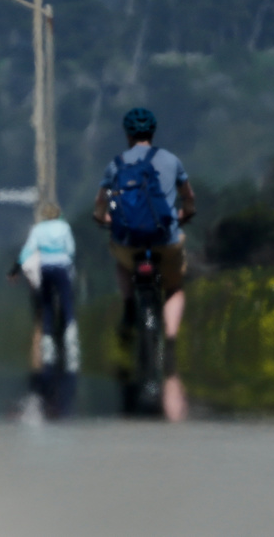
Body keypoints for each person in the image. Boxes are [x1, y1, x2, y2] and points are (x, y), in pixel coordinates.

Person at [93, 107, 196, 373]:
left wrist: (103, 220)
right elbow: (189, 197)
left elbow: (100, 204)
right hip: (165, 238)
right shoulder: (172, 160)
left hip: (129, 242)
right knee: (174, 286)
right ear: (152, 131)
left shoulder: (115, 164)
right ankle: (170, 340)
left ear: (127, 134)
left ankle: (129, 305)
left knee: (121, 262)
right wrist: (186, 214)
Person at [13, 202, 78, 372]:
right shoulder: (64, 227)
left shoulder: (37, 229)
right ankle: (70, 337)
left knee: (47, 303)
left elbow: (28, 249)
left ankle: (47, 340)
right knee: (66, 301)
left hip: (46, 268)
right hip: (62, 267)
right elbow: (71, 249)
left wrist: (15, 268)